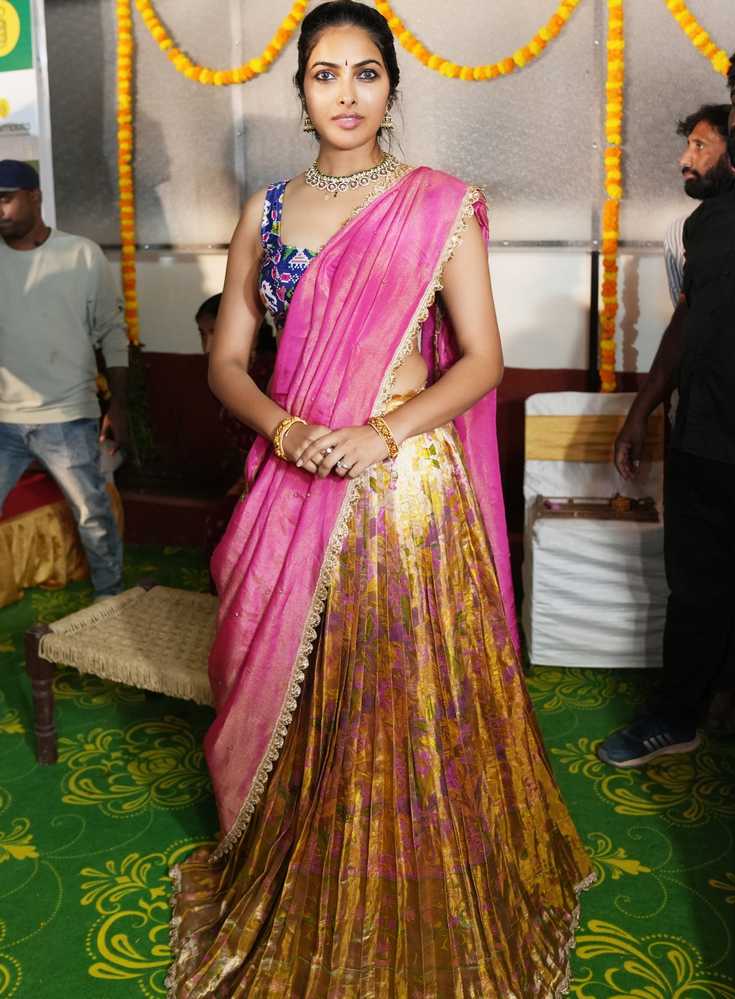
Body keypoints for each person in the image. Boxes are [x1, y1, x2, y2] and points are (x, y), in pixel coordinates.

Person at [167, 3, 594, 995]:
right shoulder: (267, 210)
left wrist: (383, 434)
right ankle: (318, 862)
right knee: (310, 683)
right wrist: (284, 431)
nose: (347, 93)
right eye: (326, 74)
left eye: (366, 73)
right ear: (301, 89)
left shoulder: (439, 205)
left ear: (392, 87)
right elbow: (227, 360)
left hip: (405, 492)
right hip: (294, 475)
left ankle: (430, 871)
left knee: (408, 685)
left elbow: (483, 360)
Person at [599, 42, 735, 768]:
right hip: (703, 442)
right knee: (693, 587)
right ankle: (676, 716)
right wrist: (642, 412)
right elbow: (686, 325)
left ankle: (726, 692)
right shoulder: (709, 222)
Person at [0, 159, 128, 599]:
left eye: (5, 199)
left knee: (91, 513)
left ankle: (110, 596)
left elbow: (112, 332)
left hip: (68, 416)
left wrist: (118, 406)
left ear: (35, 197)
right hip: (3, 419)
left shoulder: (81, 254)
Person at [664, 103, 732, 308]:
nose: (684, 160)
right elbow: (686, 316)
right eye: (688, 146)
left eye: (699, 146)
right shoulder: (678, 233)